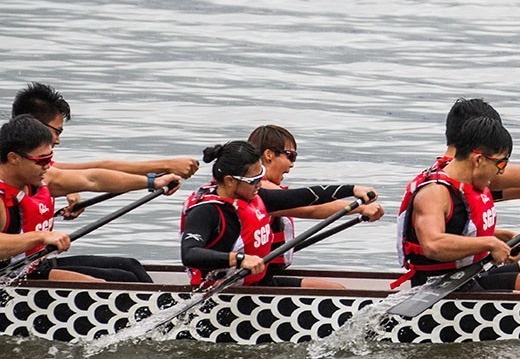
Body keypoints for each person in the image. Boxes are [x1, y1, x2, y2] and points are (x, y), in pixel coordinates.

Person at [394, 116, 520, 294]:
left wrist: (501, 237)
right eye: (501, 163)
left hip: (471, 274)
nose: (502, 171)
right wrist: (489, 243)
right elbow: (432, 244)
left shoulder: (471, 185)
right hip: (439, 287)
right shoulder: (434, 192)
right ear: (478, 160)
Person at [0, 115, 182, 281]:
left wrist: (152, 182)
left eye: (50, 158)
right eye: (41, 160)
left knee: (129, 268)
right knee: (104, 287)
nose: (48, 165)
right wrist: (40, 236)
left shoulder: (42, 179)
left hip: (33, 266)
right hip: (9, 280)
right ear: (14, 158)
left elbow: (92, 179)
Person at [180, 141, 377, 289]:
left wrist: (352, 189)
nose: (259, 183)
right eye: (254, 179)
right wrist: (239, 259)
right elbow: (189, 254)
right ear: (230, 181)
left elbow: (301, 197)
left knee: (336, 291)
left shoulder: (255, 197)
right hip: (221, 293)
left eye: (261, 175)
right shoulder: (206, 210)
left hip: (255, 285)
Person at [12, 82, 200, 217]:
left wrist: (69, 188)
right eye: (57, 131)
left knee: (131, 267)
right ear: (34, 125)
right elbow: (92, 176)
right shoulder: (21, 163)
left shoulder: (33, 163)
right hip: (22, 267)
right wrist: (159, 174)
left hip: (33, 260)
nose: (58, 141)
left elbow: (91, 173)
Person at [246, 125, 385, 287]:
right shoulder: (259, 189)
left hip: (263, 276)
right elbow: (311, 208)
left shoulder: (263, 187)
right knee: (336, 290)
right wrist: (359, 207)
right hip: (249, 283)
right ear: (269, 155)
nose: (292, 165)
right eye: (291, 156)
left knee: (337, 289)